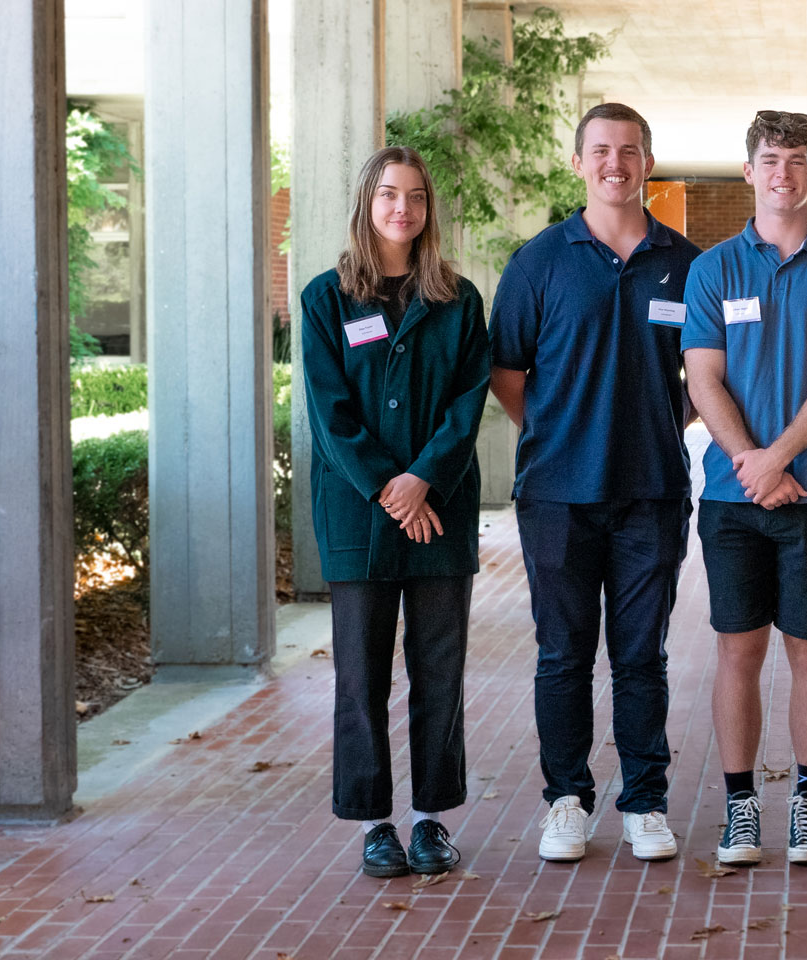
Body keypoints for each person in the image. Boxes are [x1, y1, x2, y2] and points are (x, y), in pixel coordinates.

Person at [489, 103, 702, 864]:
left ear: (648, 163)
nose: (616, 162)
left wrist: (653, 425)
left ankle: (644, 801)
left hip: (651, 492)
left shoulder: (686, 261)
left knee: (641, 657)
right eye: (602, 150)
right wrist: (557, 431)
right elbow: (508, 373)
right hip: (556, 494)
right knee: (562, 653)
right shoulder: (538, 261)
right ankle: (566, 800)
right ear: (578, 162)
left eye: (631, 151)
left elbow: (703, 376)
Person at [681, 110, 807, 867]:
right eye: (769, 159)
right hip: (733, 499)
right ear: (749, 173)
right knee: (736, 652)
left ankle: (806, 806)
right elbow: (704, 376)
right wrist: (749, 462)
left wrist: (778, 458)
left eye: (796, 160)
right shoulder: (713, 270)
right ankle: (739, 810)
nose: (782, 173)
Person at [301, 145, 490, 878]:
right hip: (358, 515)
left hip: (438, 515)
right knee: (360, 672)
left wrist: (423, 482)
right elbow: (328, 412)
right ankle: (375, 821)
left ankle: (430, 819)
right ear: (366, 204)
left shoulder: (458, 300)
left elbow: (467, 402)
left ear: (428, 210)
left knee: (439, 669)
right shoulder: (326, 299)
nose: (402, 208)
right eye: (388, 195)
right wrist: (390, 486)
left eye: (414, 196)